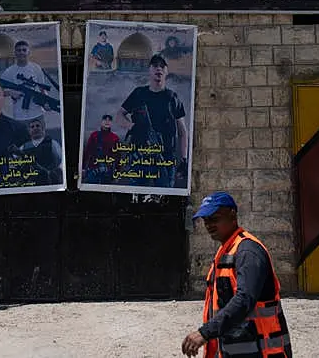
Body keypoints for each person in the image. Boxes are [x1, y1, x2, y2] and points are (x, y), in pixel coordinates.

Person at [182, 191, 292, 358]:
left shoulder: (248, 251)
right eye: (206, 220)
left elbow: (244, 300)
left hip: (263, 352)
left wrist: (204, 333)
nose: (209, 225)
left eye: (215, 218)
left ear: (232, 215)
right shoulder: (226, 251)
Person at [116, 54, 188, 188]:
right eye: (155, 66)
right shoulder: (139, 93)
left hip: (165, 159)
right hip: (140, 158)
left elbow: (183, 132)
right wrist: (132, 126)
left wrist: (184, 159)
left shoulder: (172, 98)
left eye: (162, 66)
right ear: (149, 70)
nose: (158, 69)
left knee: (165, 199)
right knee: (135, 197)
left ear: (166, 71)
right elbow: (119, 116)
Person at [0, 40, 51, 127]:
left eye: (24, 50)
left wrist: (47, 102)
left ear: (28, 52)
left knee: (40, 140)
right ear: (15, 53)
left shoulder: (36, 68)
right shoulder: (9, 71)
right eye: (19, 50)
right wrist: (11, 93)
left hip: (37, 114)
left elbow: (43, 89)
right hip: (20, 116)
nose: (21, 52)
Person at [12, 117, 63, 186]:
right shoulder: (24, 146)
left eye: (37, 126)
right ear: (29, 131)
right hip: (31, 181)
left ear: (43, 129)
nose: (35, 128)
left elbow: (59, 160)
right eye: (32, 127)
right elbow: (15, 161)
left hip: (49, 180)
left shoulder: (52, 143)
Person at [82, 114, 120, 184]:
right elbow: (87, 152)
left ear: (111, 123)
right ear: (101, 122)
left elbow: (118, 157)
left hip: (107, 171)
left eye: (109, 120)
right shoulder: (94, 135)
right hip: (93, 169)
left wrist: (117, 174)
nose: (107, 121)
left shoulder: (115, 138)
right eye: (105, 119)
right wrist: (83, 168)